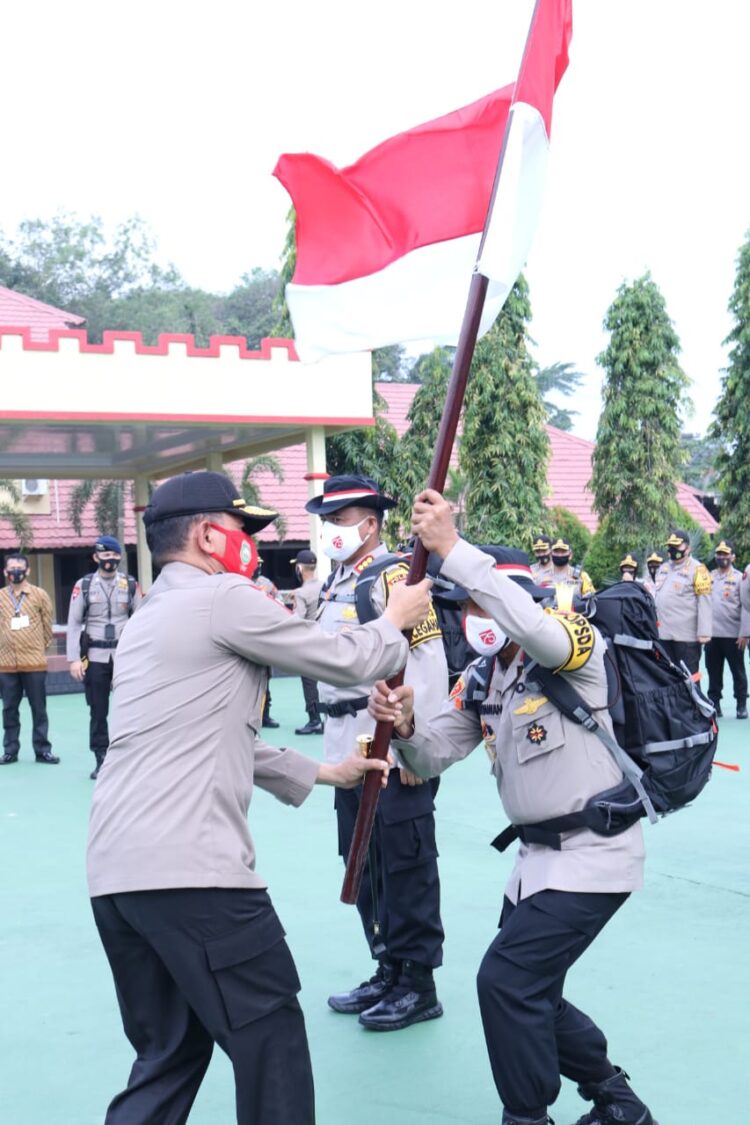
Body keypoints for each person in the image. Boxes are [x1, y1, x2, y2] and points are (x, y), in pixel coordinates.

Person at [87, 469, 432, 1125]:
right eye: (244, 529)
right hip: (195, 875)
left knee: (171, 1052)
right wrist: (396, 620)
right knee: (269, 1036)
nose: (251, 544)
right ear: (209, 534)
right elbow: (343, 657)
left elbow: (208, 735)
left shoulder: (147, 619)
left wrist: (326, 772)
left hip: (118, 876)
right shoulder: (223, 598)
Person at [369, 488, 657, 1125]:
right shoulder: (483, 674)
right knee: (535, 993)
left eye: (475, 600)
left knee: (506, 982)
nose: (469, 614)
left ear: (509, 593)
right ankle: (618, 1102)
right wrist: (409, 727)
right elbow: (436, 754)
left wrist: (452, 549)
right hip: (535, 866)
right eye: (463, 606)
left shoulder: (572, 643)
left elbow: (530, 624)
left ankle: (526, 1116)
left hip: (594, 854)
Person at [306, 474, 447, 1032]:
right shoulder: (338, 581)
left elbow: (429, 659)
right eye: (327, 521)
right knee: (361, 860)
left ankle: (418, 983)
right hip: (346, 741)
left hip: (390, 740)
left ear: (370, 523)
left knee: (404, 862)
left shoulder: (395, 575)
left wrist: (419, 749)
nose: (331, 531)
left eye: (339, 521)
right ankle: (386, 968)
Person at [66, 536, 142, 778]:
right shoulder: (85, 585)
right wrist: (74, 659)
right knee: (98, 710)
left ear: (119, 556)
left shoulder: (130, 584)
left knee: (129, 709)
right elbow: (74, 622)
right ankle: (101, 757)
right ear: (96, 557)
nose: (110, 560)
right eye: (105, 555)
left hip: (125, 657)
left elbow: (140, 620)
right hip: (96, 656)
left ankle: (128, 758)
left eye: (114, 555)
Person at [0, 552, 59, 765]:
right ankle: (10, 750)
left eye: (19, 567)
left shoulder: (39, 594)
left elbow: (47, 626)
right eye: (11, 568)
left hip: (33, 662)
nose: (16, 571)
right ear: (5, 572)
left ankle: (42, 750)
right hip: (6, 663)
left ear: (28, 570)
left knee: (38, 707)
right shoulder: (0, 597)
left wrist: (37, 648)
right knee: (9, 709)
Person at [654, 530, 712, 676]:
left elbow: (705, 602)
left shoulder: (698, 569)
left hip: (686, 638)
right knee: (667, 678)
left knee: (689, 679)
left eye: (677, 547)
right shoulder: (664, 568)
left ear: (688, 548)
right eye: (670, 546)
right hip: (664, 635)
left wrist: (704, 632)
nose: (673, 550)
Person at [705, 539, 749, 719]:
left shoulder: (740, 578)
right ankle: (714, 704)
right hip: (712, 634)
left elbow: (746, 607)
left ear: (733, 557)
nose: (721, 557)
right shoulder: (709, 576)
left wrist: (745, 633)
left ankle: (741, 705)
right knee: (713, 672)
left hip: (733, 634)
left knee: (738, 671)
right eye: (719, 554)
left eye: (725, 554)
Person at [291, 549, 324, 735]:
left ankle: (314, 719)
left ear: (299, 568)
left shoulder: (301, 593)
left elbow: (299, 618)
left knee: (309, 681)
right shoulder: (325, 585)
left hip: (309, 642)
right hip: (326, 639)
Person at [251, 560, 283, 727]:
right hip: (246, 637)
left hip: (263, 637)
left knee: (265, 678)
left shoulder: (266, 583)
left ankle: (265, 715)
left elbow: (279, 601)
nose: (257, 567)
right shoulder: (239, 580)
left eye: (259, 564)